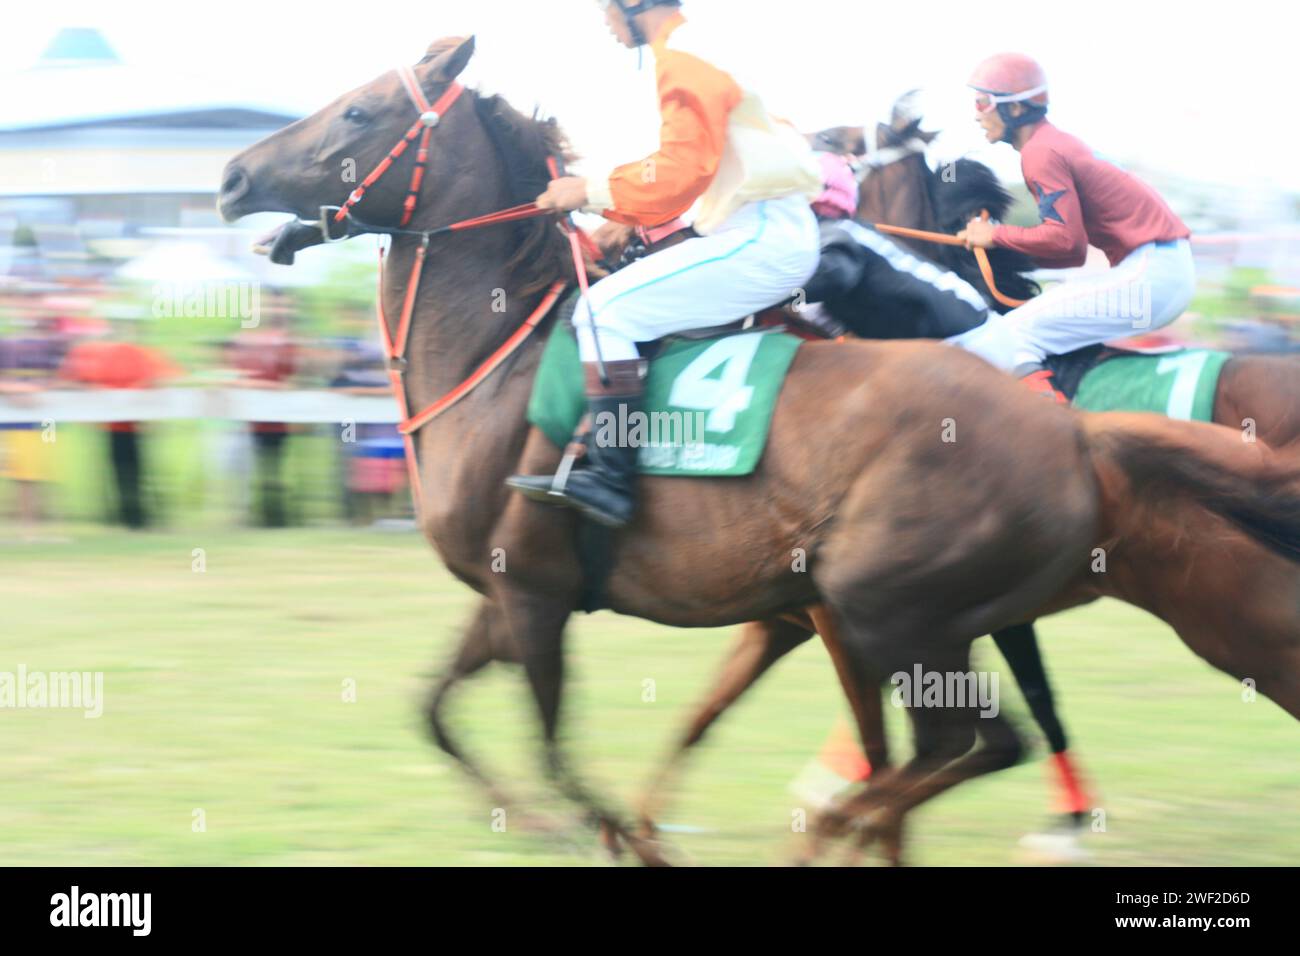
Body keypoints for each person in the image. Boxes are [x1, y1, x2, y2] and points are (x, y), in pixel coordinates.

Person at [507, 0, 823, 527]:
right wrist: (624, 212)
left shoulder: (683, 58)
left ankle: (610, 477)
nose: (604, 20)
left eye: (606, 8)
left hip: (761, 234)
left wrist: (587, 191)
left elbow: (681, 169)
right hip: (760, 227)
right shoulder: (698, 51)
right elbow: (690, 169)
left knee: (600, 313)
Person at [948, 53, 1194, 401]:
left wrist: (994, 235)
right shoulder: (1053, 143)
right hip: (1159, 272)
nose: (976, 114)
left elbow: (1064, 240)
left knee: (1007, 337)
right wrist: (998, 248)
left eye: (983, 102)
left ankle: (1053, 429)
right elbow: (1073, 251)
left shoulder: (1040, 152)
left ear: (1015, 110)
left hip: (1150, 275)